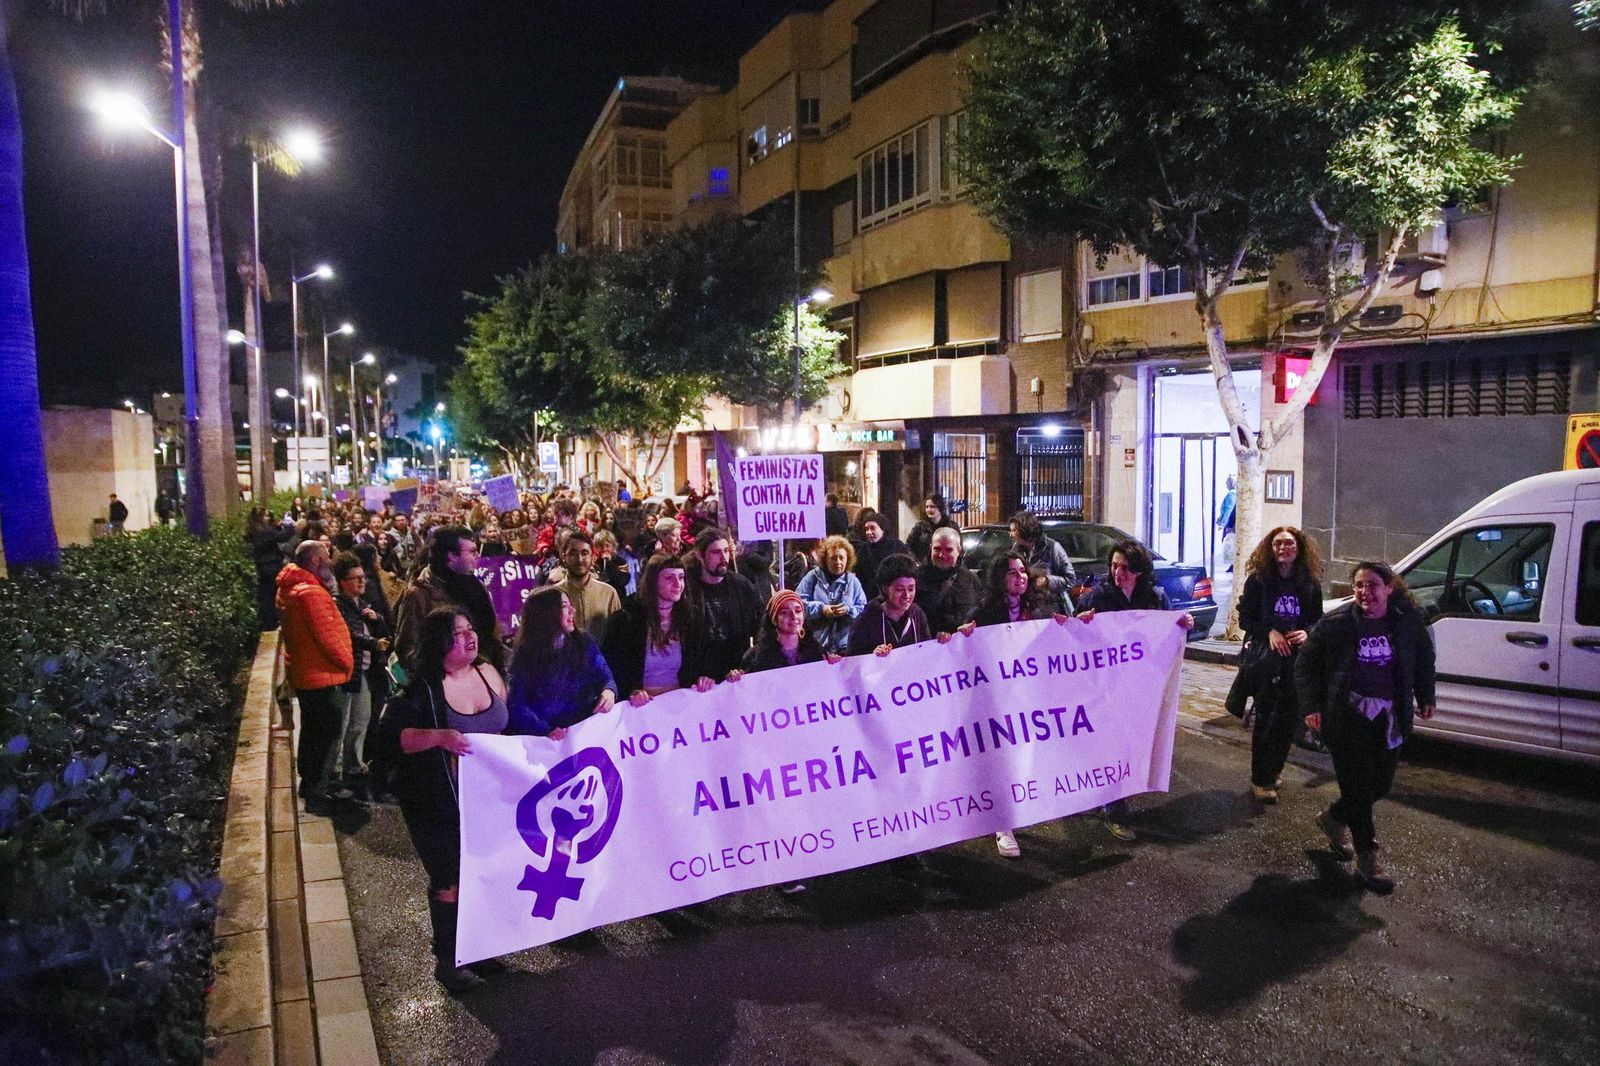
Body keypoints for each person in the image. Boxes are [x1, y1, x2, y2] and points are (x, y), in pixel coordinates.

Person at [385, 607, 509, 993]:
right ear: (440, 642)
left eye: (471, 629)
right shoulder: (422, 687)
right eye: (459, 633)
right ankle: (448, 960)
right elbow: (395, 740)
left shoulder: (487, 673)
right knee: (449, 878)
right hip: (436, 802)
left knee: (480, 873)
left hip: (485, 801)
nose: (470, 637)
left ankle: (478, 947)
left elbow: (507, 725)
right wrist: (440, 737)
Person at [1295, 561, 1436, 894]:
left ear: (1389, 588)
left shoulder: (1406, 622)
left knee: (1380, 786)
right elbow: (1306, 665)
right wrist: (1312, 707)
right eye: (1358, 585)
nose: (1364, 592)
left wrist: (1425, 694)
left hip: (1389, 716)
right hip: (1347, 717)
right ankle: (1368, 859)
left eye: (1372, 585)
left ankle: (1333, 818)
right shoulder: (1337, 624)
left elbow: (1423, 658)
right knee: (1358, 788)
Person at [1077, 539, 1195, 841]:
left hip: (1142, 687)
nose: (1118, 573)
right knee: (1111, 743)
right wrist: (1084, 622)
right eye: (1114, 566)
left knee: (1133, 743)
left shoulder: (1156, 598)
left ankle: (1111, 793)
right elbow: (1078, 635)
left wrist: (1183, 624)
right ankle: (1114, 809)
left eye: (1126, 568)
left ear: (1139, 571)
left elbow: (1170, 633)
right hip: (1108, 685)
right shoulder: (1099, 597)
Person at [1233, 527, 1325, 804]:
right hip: (1267, 661)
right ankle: (1260, 778)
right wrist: (1269, 631)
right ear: (1269, 549)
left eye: (1289, 543)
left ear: (1299, 547)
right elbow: (1245, 618)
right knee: (1266, 719)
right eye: (1277, 543)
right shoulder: (1259, 581)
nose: (1283, 548)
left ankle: (1273, 771)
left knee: (1287, 721)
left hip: (1295, 663)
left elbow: (1317, 619)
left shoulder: (1309, 583)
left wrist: (1307, 632)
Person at [276, 541, 355, 814]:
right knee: (325, 733)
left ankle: (311, 782)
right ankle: (318, 788)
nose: (330, 562)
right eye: (325, 558)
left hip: (308, 672)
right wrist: (347, 663)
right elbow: (328, 638)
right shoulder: (311, 594)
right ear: (313, 562)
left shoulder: (291, 588)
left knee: (312, 731)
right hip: (322, 675)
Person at [602, 554, 716, 706]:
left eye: (681, 577)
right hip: (641, 709)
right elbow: (612, 670)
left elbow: (702, 662)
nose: (678, 584)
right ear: (653, 582)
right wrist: (631, 691)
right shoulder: (625, 621)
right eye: (669, 578)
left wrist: (704, 678)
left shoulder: (693, 619)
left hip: (681, 706)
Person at [505, 588, 617, 738]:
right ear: (547, 614)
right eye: (564, 606)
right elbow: (517, 705)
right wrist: (545, 730)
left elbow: (606, 678)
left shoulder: (584, 641)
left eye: (570, 604)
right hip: (550, 742)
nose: (573, 610)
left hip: (586, 731)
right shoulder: (525, 655)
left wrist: (609, 692)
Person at [394, 525, 505, 675]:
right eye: (472, 551)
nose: (478, 556)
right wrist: (442, 674)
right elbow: (406, 648)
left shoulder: (476, 586)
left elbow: (493, 633)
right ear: (452, 556)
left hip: (483, 675)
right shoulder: (419, 594)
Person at [332, 553, 390, 803]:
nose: (360, 582)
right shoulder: (339, 605)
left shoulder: (362, 603)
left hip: (366, 669)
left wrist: (377, 620)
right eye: (354, 579)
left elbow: (382, 628)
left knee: (361, 719)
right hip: (350, 670)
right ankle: (337, 773)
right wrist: (373, 643)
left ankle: (354, 764)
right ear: (342, 581)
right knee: (344, 722)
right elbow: (350, 634)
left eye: (362, 577)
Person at [687, 529, 763, 682]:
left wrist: (752, 663)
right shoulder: (687, 587)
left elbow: (762, 624)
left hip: (737, 673)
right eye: (716, 552)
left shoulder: (742, 585)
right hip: (701, 678)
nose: (723, 558)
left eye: (726, 551)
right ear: (700, 555)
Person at [847, 553, 932, 657]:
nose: (907, 595)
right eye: (899, 589)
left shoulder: (917, 614)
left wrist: (942, 642)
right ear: (885, 588)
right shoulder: (865, 620)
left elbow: (928, 650)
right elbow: (852, 661)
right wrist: (871, 657)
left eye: (911, 589)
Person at [796, 535, 868, 654]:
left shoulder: (853, 582)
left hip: (846, 648)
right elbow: (798, 605)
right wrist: (821, 609)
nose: (838, 562)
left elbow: (863, 610)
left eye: (841, 558)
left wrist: (848, 610)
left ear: (848, 559)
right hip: (815, 647)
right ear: (825, 559)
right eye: (833, 558)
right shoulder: (812, 577)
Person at [741, 589, 842, 673]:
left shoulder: (817, 651)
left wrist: (833, 663)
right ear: (774, 619)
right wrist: (736, 679)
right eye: (784, 612)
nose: (793, 616)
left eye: (798, 611)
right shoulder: (755, 657)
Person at [556, 528, 622, 641]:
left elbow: (619, 634)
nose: (580, 559)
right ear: (563, 556)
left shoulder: (608, 593)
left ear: (593, 557)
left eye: (584, 553)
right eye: (573, 553)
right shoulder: (555, 594)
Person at [916, 527, 982, 635]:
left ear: (959, 551)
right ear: (930, 548)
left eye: (948, 550)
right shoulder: (915, 580)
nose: (942, 555)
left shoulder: (971, 580)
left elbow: (981, 614)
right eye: (937, 549)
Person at [1009, 510, 1077, 610]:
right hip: (1024, 610)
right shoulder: (1016, 549)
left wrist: (1047, 581)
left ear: (1025, 530)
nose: (1010, 534)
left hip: (1048, 611)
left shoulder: (1052, 548)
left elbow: (1071, 580)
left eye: (1014, 531)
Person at [248, 507, 295, 631]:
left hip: (262, 566)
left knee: (266, 595)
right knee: (271, 596)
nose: (268, 519)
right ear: (260, 518)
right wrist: (290, 525)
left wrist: (278, 527)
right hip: (271, 566)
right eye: (265, 516)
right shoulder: (265, 532)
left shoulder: (254, 531)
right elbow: (284, 536)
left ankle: (268, 622)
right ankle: (270, 623)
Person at [851, 509, 907, 601]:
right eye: (866, 529)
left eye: (873, 528)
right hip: (869, 598)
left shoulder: (897, 547)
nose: (869, 532)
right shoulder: (863, 549)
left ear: (883, 529)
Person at [906, 494, 958, 563]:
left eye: (932, 507)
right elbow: (908, 546)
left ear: (940, 507)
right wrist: (916, 562)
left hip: (945, 565)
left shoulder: (951, 526)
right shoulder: (920, 527)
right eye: (927, 507)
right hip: (924, 568)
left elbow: (958, 547)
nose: (929, 510)